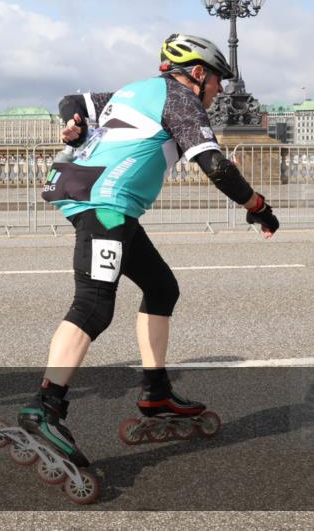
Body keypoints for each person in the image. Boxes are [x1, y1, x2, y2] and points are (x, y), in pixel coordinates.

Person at [23, 33, 279, 465]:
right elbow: (215, 165)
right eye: (217, 82)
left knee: (161, 288)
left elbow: (71, 101)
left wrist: (76, 123)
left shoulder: (132, 91)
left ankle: (155, 394)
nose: (217, 92)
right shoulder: (182, 101)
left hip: (96, 197)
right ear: (198, 74)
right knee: (93, 305)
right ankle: (44, 408)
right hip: (104, 203)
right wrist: (259, 207)